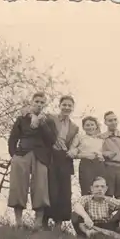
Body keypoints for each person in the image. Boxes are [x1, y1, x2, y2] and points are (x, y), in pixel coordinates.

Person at [7, 92, 57, 229]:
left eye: (42, 102)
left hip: (40, 156)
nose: (39, 104)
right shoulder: (22, 119)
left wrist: (42, 124)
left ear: (45, 104)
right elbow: (13, 138)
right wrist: (14, 155)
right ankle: (18, 222)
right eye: (37, 101)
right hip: (22, 153)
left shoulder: (49, 120)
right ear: (32, 102)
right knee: (18, 186)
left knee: (41, 187)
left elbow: (52, 140)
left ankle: (37, 223)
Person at [42, 95, 80, 231]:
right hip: (50, 156)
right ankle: (44, 222)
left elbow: (75, 144)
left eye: (70, 105)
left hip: (64, 158)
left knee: (64, 191)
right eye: (64, 104)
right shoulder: (49, 118)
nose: (67, 107)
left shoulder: (74, 127)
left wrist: (74, 150)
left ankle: (59, 224)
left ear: (73, 108)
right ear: (59, 105)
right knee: (50, 188)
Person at [68, 116, 107, 195]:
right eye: (87, 125)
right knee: (87, 190)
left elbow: (105, 152)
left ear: (96, 126)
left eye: (92, 125)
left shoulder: (101, 138)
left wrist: (102, 156)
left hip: (100, 165)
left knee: (100, 189)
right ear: (83, 127)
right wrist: (84, 155)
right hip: (86, 165)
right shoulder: (80, 137)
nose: (90, 127)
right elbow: (72, 152)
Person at [99, 111, 120, 200]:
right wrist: (105, 153)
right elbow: (95, 152)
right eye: (110, 120)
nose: (113, 122)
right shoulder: (100, 137)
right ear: (105, 122)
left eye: (115, 120)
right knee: (106, 196)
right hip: (107, 168)